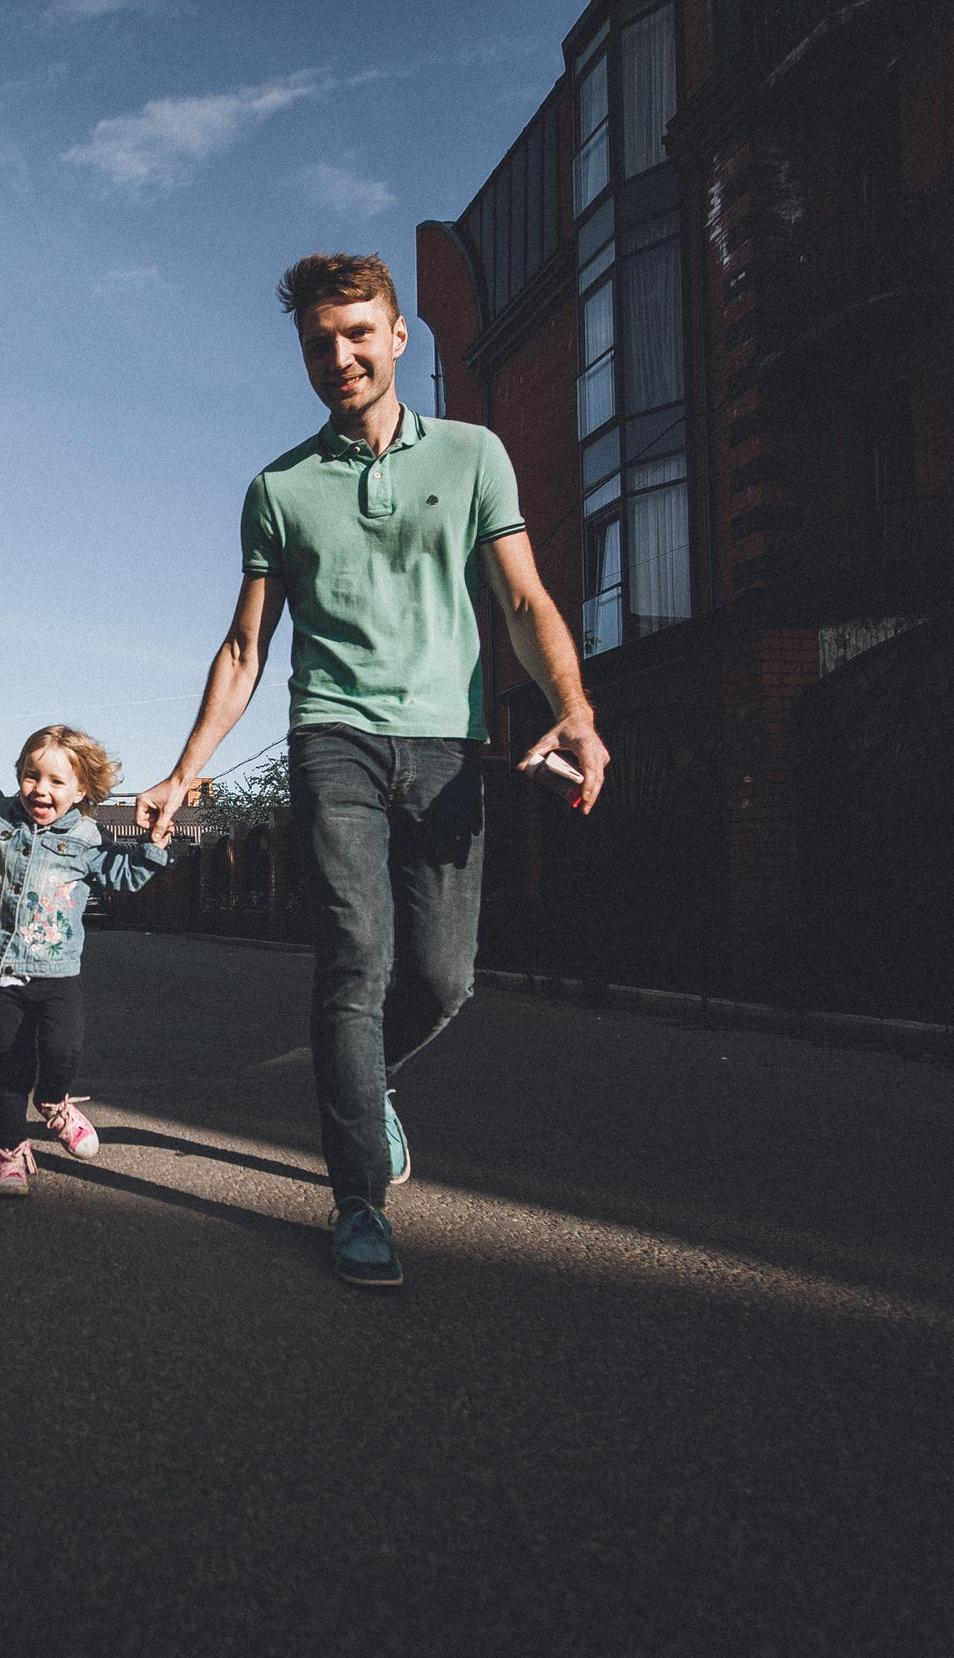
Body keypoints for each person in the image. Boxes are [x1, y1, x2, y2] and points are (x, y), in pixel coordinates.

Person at [133, 253, 611, 1287]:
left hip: (446, 741)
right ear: (303, 356)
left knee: (442, 975)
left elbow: (523, 602)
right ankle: (358, 1201)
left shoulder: (476, 455)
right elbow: (246, 649)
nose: (339, 355)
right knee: (355, 957)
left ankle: (367, 1087)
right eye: (319, 342)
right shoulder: (277, 488)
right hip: (332, 736)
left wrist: (572, 711)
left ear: (398, 337)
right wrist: (184, 772)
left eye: (358, 334)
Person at [0, 720, 171, 1197]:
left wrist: (155, 844)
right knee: (11, 1066)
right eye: (32, 776)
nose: (41, 789)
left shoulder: (87, 838)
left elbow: (124, 874)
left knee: (64, 1050)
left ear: (80, 791)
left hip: (58, 973)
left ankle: (54, 1100)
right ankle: (9, 1151)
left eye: (57, 781)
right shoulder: (1, 816)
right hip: (5, 969)